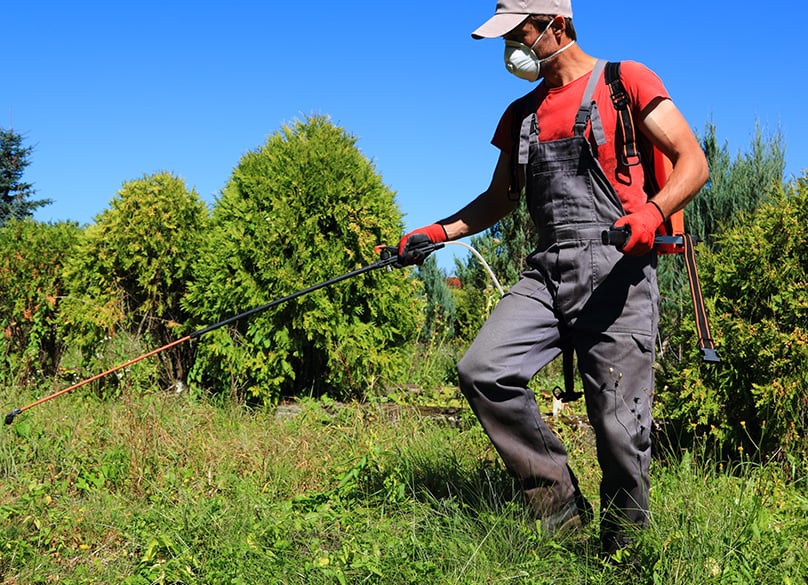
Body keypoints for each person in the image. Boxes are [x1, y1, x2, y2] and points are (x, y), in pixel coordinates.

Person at [396, 0, 708, 554]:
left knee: (618, 425)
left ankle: (623, 549)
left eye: (518, 34)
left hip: (619, 269)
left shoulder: (624, 82)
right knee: (482, 370)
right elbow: (499, 199)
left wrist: (652, 213)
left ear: (556, 26)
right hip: (548, 269)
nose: (509, 48)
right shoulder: (522, 114)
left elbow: (692, 161)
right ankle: (560, 508)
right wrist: (436, 233)